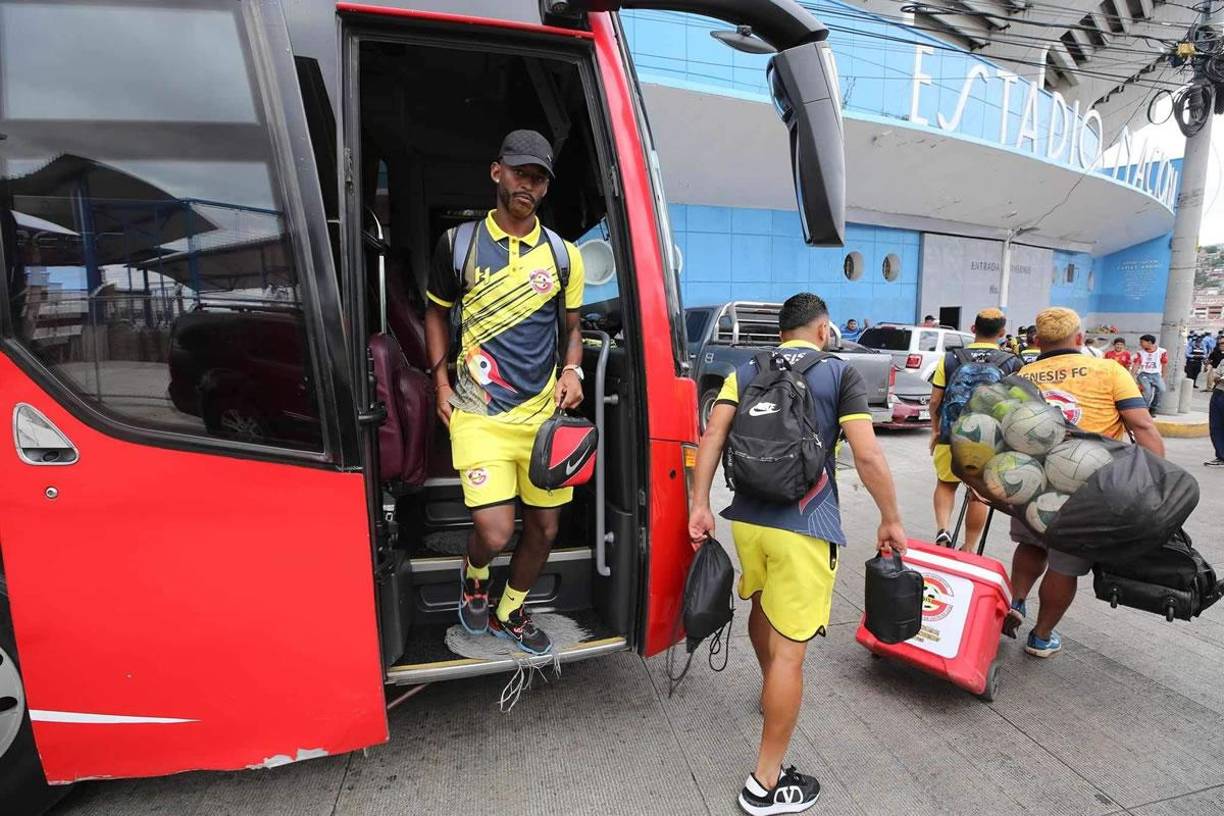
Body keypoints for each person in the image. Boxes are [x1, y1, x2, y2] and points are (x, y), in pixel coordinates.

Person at [688, 293, 907, 816]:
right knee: (792, 651)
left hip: (748, 520)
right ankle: (765, 783)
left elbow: (712, 434)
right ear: (823, 327)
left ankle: (771, 695)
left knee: (762, 604)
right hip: (805, 524)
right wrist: (891, 517)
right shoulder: (838, 372)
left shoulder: (749, 367)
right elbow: (868, 452)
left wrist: (701, 504)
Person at [424, 129, 585, 655]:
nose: (529, 185)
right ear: (498, 173)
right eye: (521, 173)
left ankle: (510, 610)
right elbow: (435, 313)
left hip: (542, 420)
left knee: (544, 527)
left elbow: (573, 328)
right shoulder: (460, 244)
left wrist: (573, 371)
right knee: (494, 532)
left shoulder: (564, 255)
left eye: (538, 179)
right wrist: (441, 382)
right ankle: (474, 576)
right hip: (478, 412)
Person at [1007, 308, 1163, 657]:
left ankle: (1016, 603)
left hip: (1032, 481)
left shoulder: (1023, 374)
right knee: (1065, 564)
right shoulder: (1109, 369)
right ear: (1079, 339)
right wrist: (1158, 480)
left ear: (1037, 341)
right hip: (1088, 487)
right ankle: (1041, 637)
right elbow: (1142, 425)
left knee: (1032, 544)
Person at [928, 308, 1021, 552]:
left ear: (973, 328)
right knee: (979, 494)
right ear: (1002, 332)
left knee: (945, 485)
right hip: (989, 441)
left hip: (951, 435)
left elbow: (935, 401)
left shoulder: (949, 359)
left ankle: (943, 530)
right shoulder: (1012, 362)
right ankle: (969, 547)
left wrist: (936, 430)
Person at [1135, 334, 1168, 414]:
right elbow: (1137, 364)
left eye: (1142, 342)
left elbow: (1164, 364)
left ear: (1149, 342)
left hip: (1156, 374)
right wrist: (1132, 376)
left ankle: (1153, 408)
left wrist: (1163, 376)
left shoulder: (1162, 351)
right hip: (1143, 374)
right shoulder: (1140, 353)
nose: (1140, 344)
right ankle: (1144, 410)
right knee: (1147, 393)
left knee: (1162, 390)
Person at [1207, 356, 1224, 467]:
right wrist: (1218, 378)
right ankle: (1221, 456)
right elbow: (1216, 375)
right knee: (1216, 425)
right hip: (1219, 392)